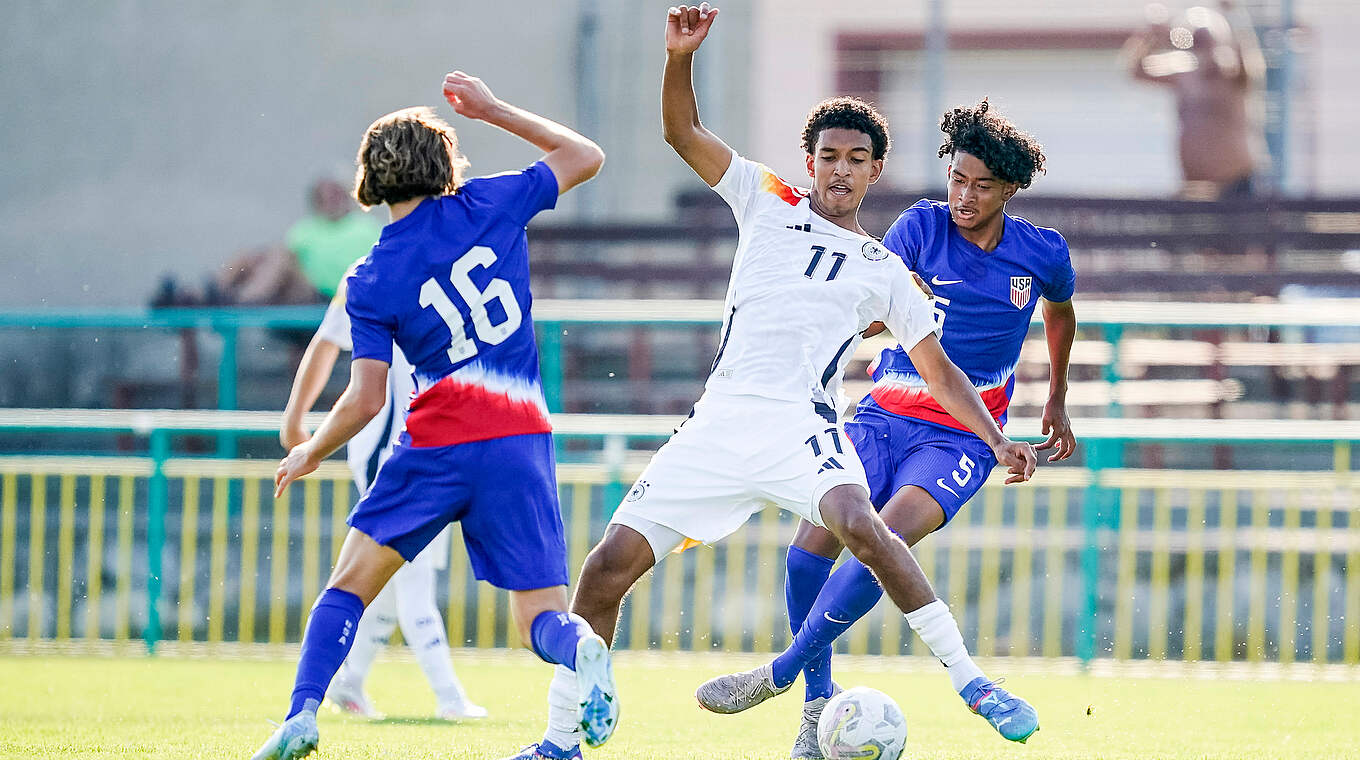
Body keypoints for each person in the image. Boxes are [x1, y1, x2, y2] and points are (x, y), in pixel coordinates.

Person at [506, 6, 1041, 760]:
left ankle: (970, 680)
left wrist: (996, 438)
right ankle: (561, 741)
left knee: (863, 525)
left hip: (802, 425)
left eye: (857, 158)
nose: (841, 169)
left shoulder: (886, 270)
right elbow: (681, 133)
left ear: (874, 171)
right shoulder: (764, 197)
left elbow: (942, 372)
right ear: (811, 159)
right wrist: (678, 57)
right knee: (603, 571)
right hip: (719, 422)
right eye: (829, 155)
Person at [250, 71, 611, 760]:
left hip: (438, 441)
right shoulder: (489, 204)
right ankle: (581, 646)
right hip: (520, 438)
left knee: (349, 587)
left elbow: (365, 399)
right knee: (540, 618)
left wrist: (312, 448)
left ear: (369, 180)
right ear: (446, 165)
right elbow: (585, 156)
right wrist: (493, 108)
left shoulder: (370, 275)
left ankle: (301, 715)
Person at [719, 99, 1077, 759]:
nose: (965, 196)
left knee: (882, 539)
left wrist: (1055, 395)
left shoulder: (1042, 254)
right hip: (883, 414)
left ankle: (782, 669)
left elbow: (1061, 312)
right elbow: (876, 302)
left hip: (960, 435)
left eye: (984, 186)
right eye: (958, 179)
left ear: (1011, 190)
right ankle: (815, 704)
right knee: (807, 548)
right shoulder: (919, 228)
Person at [279, 263, 486, 722]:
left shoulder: (408, 266)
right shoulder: (371, 273)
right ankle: (450, 697)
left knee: (387, 583)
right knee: (412, 582)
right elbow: (328, 341)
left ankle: (349, 684)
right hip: (395, 449)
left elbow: (328, 341)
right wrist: (295, 421)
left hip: (430, 446)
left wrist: (296, 419)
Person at [1124, 2, 1268, 198]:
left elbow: (1249, 56)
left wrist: (1233, 13)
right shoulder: (1183, 74)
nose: (1204, 49)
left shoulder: (1234, 75)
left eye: (1208, 41)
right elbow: (1138, 71)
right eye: (1197, 42)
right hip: (1194, 188)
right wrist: (1152, 35)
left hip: (1235, 184)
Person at [287, 178, 385, 298]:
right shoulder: (305, 230)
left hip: (355, 293)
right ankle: (257, 303)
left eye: (335, 197)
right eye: (325, 199)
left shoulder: (367, 226)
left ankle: (257, 301)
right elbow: (291, 260)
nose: (331, 203)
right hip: (313, 292)